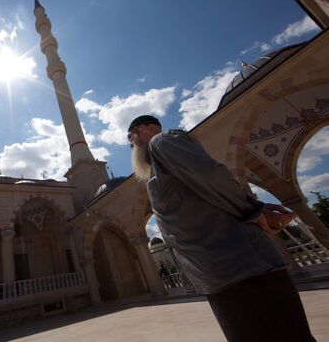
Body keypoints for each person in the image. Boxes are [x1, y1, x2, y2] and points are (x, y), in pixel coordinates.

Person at [127, 115, 316, 342]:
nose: (130, 145)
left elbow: (210, 174)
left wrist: (254, 211)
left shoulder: (162, 142)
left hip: (245, 270)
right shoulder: (159, 165)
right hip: (221, 277)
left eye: (131, 137)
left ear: (145, 129)